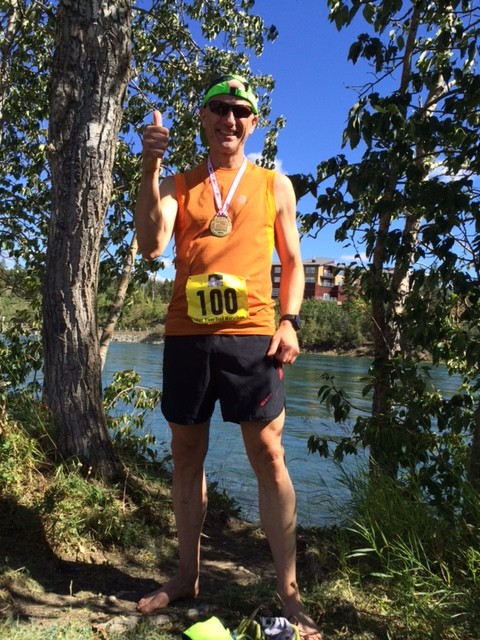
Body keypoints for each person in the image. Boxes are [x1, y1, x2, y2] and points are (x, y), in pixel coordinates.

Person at [134, 74, 322, 639]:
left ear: (253, 123)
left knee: (269, 454)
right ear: (204, 117)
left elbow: (293, 263)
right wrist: (147, 171)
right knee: (186, 454)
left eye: (241, 111)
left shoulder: (275, 186)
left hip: (254, 336)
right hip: (188, 336)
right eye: (220, 108)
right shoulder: (178, 183)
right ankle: (187, 574)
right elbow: (149, 244)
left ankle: (288, 593)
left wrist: (289, 321)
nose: (230, 119)